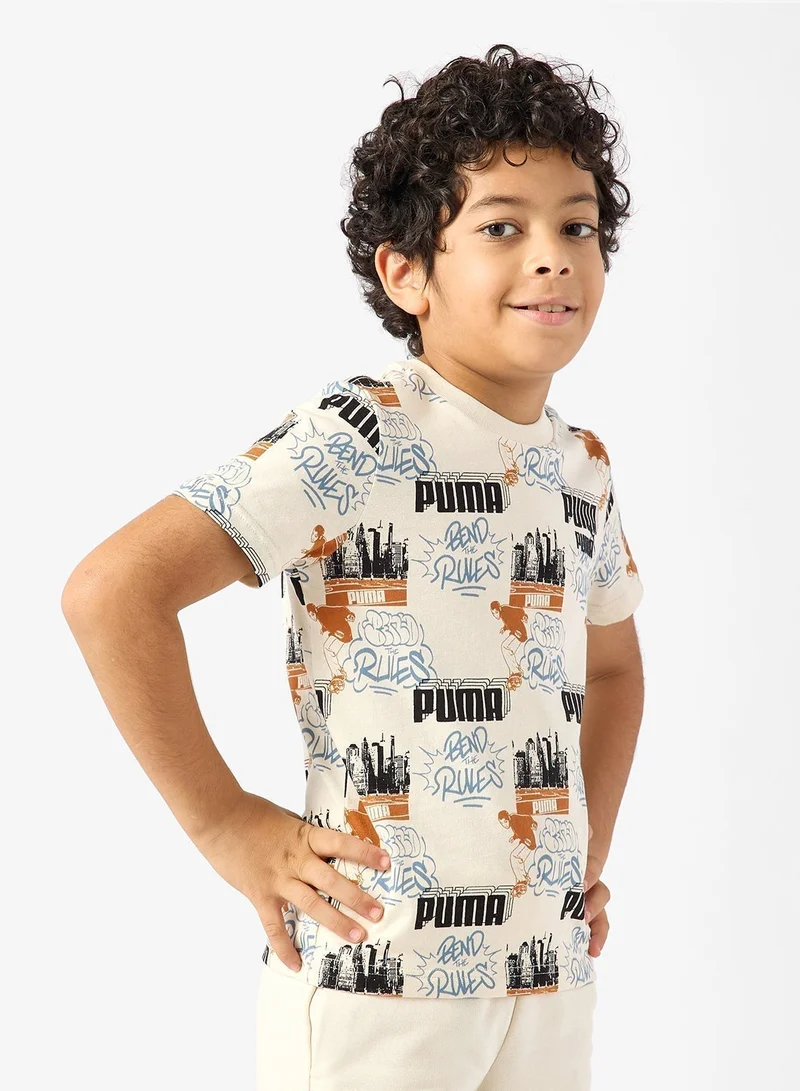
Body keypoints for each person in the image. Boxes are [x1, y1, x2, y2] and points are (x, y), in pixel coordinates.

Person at [62, 42, 645, 1091]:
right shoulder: (357, 435)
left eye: (577, 226)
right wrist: (225, 823)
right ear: (405, 271)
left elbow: (611, 669)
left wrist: (578, 854)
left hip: (546, 977)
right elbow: (113, 592)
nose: (553, 256)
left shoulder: (581, 467)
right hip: (377, 972)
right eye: (501, 227)